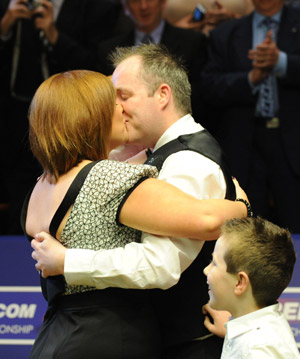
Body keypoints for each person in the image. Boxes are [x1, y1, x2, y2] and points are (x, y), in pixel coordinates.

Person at [31, 43, 250, 359]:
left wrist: (69, 262)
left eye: (123, 96)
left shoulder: (187, 160)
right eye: (111, 100)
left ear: (163, 95)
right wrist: (244, 208)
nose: (116, 108)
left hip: (186, 343)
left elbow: (163, 263)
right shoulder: (131, 162)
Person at [0, 0, 118, 234]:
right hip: (11, 122)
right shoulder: (8, 6)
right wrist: (5, 27)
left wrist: (55, 35)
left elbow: (98, 71)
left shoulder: (95, 8)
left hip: (72, 124)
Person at [199, 0, 300, 233]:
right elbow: (209, 88)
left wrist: (281, 62)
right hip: (244, 144)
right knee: (248, 232)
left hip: (292, 144)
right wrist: (250, 79)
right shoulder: (226, 33)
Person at [96, 0, 207, 124]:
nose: (144, 6)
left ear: (163, 2)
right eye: (135, 1)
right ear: (125, 6)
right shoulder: (108, 50)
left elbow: (200, 97)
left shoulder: (192, 42)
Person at [203, 217, 300, 358]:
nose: (206, 270)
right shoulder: (256, 334)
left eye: (214, 263)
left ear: (240, 282)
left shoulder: (256, 351)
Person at [164, 0, 254, 36]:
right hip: (177, 51)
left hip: (230, 48)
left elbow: (260, 16)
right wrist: (174, 31)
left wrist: (234, 20)